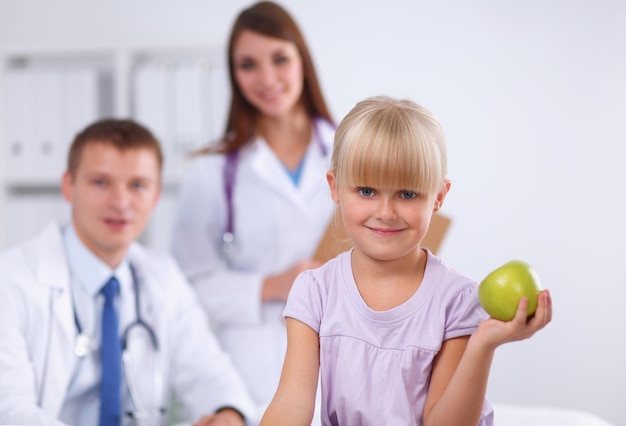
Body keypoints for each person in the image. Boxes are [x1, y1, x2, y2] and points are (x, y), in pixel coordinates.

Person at [260, 96, 553, 426]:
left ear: (439, 197)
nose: (385, 213)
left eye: (408, 194)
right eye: (367, 191)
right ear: (335, 187)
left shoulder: (458, 300)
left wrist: (483, 344)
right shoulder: (314, 291)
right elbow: (291, 406)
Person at [0, 119, 256, 426]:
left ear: (156, 195)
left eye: (137, 185)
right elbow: (10, 410)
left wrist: (229, 414)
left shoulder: (163, 277)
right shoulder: (11, 280)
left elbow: (210, 373)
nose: (120, 202)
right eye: (100, 182)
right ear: (69, 186)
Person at [170, 1, 335, 419]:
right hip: (252, 375)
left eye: (279, 59)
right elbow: (186, 287)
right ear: (232, 73)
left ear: (303, 61)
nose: (267, 79)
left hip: (343, 360)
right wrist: (274, 285)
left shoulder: (351, 153)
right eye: (248, 64)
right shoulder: (210, 172)